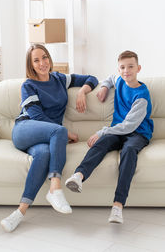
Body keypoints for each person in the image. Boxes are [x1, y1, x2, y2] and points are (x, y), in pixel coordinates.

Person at [1, 44, 98, 232]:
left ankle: (19, 212)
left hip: (46, 138)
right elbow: (36, 116)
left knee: (44, 154)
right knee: (59, 131)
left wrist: (81, 91)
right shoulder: (28, 85)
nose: (42, 63)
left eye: (44, 57)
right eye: (36, 60)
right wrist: (66, 133)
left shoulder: (59, 79)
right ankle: (55, 187)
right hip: (25, 129)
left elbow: (91, 78)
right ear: (30, 65)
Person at [65, 50, 153, 224]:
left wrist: (101, 131)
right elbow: (111, 78)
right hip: (117, 131)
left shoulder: (142, 95)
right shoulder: (119, 80)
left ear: (139, 68)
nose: (126, 71)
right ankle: (79, 176)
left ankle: (118, 206)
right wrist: (105, 86)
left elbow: (129, 125)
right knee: (101, 143)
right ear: (119, 69)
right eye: (122, 67)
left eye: (131, 67)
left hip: (138, 133)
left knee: (128, 151)